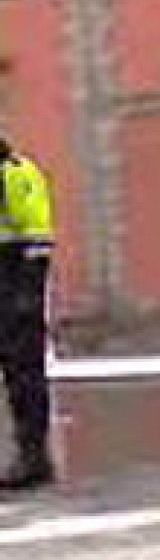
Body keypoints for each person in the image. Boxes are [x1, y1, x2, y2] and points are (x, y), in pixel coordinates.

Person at [0, 135, 57, 492]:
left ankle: (34, 457)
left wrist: (29, 293)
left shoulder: (17, 173)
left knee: (24, 374)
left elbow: (37, 236)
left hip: (15, 276)